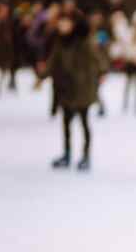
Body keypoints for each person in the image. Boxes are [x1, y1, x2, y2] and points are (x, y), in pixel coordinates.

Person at [42, 12, 106, 171]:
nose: (62, 26)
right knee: (66, 124)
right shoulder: (60, 42)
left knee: (84, 123)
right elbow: (53, 62)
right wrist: (41, 75)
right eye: (61, 23)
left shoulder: (84, 42)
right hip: (66, 88)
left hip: (82, 89)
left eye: (65, 23)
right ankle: (67, 154)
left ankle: (85, 156)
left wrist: (99, 74)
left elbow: (98, 61)